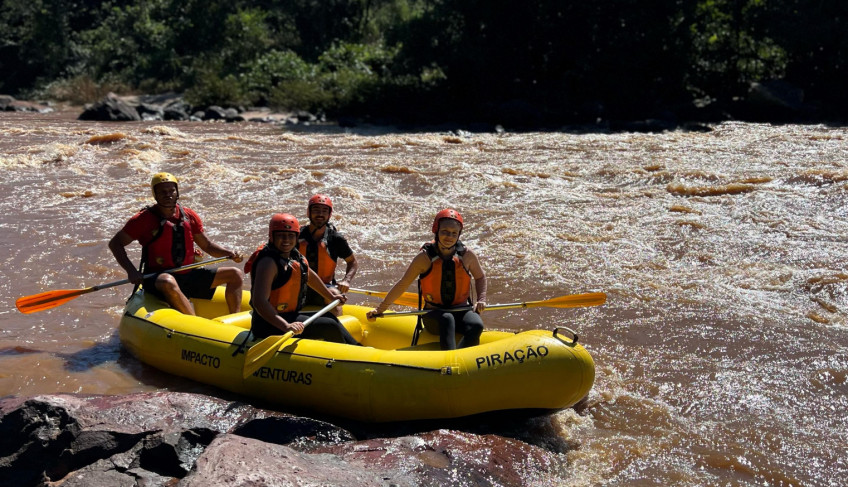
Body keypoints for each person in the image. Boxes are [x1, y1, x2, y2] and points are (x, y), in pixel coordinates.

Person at [109, 172, 244, 315]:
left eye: (171, 190)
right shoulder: (142, 219)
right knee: (168, 281)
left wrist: (229, 253)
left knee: (235, 274)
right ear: (155, 195)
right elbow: (115, 244)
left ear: (177, 192)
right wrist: (131, 271)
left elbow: (207, 246)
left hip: (188, 275)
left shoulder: (189, 215)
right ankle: (193, 325)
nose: (168, 195)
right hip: (158, 279)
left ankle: (234, 318)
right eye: (162, 192)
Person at [366, 209, 487, 350]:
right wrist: (380, 309)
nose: (449, 237)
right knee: (447, 319)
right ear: (436, 231)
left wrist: (481, 299)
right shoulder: (424, 258)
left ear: (459, 235)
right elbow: (403, 284)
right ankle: (449, 362)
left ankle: (465, 360)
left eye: (454, 233)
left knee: (477, 325)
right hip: (433, 315)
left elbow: (480, 277)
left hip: (461, 310)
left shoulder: (467, 255)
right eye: (445, 232)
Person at [246, 213, 360, 344]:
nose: (286, 240)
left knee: (330, 318)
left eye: (290, 235)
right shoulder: (268, 263)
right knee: (328, 325)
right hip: (269, 324)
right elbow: (259, 302)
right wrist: (286, 326)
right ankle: (346, 356)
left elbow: (309, 276)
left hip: (288, 316)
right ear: (272, 236)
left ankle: (359, 349)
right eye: (281, 235)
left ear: (296, 237)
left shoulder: (293, 255)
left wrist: (331, 296)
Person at [298, 194, 358, 315]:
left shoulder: (335, 239)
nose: (320, 214)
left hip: (325, 287)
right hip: (298, 286)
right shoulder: (296, 235)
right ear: (308, 213)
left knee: (335, 295)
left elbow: (352, 262)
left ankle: (338, 326)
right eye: (316, 210)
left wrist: (346, 280)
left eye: (324, 211)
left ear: (329, 215)